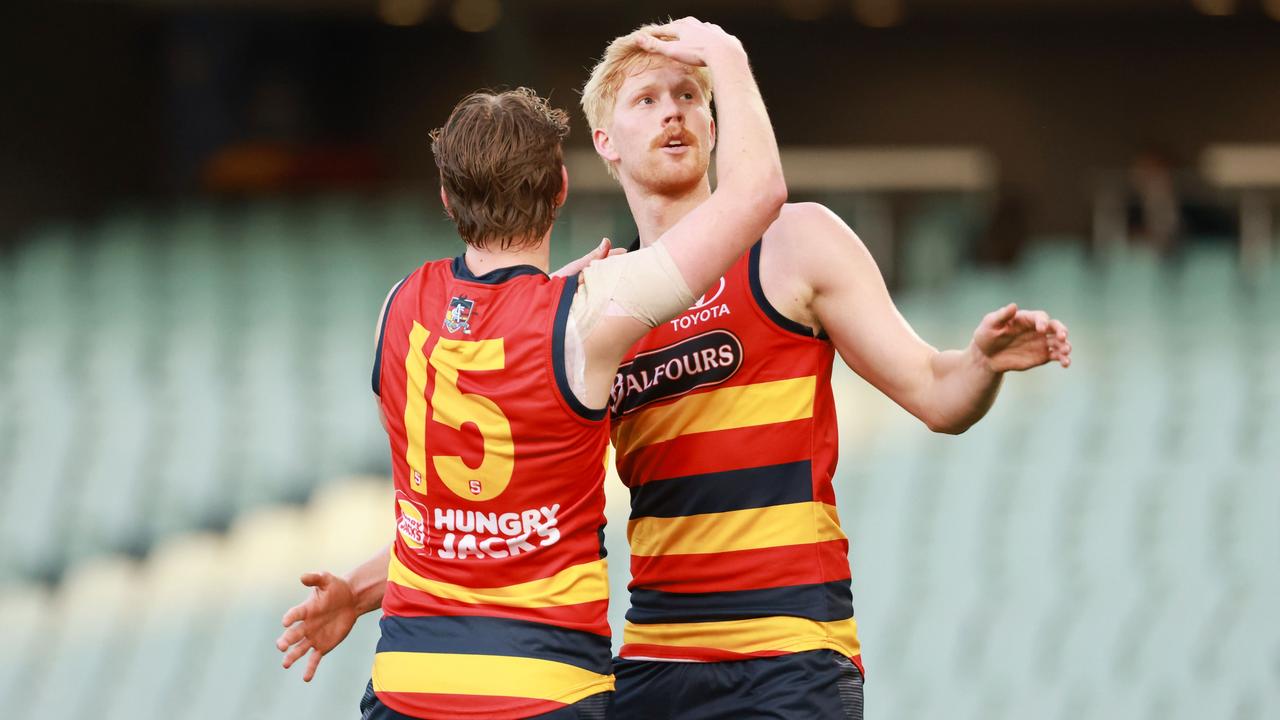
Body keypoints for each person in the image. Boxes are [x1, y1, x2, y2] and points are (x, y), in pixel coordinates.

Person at [281, 19, 1073, 720]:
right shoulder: (591, 310)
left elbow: (937, 395)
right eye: (648, 99)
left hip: (788, 653)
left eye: (692, 95)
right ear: (603, 144)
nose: (675, 111)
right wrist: (361, 586)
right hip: (655, 658)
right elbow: (514, 515)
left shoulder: (796, 241)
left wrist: (978, 364)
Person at [276, 18, 788, 720]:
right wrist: (726, 56)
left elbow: (450, 513)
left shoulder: (397, 310)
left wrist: (361, 591)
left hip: (407, 685)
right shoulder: (589, 313)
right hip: (540, 690)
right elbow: (757, 193)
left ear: (448, 201)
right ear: (562, 189)